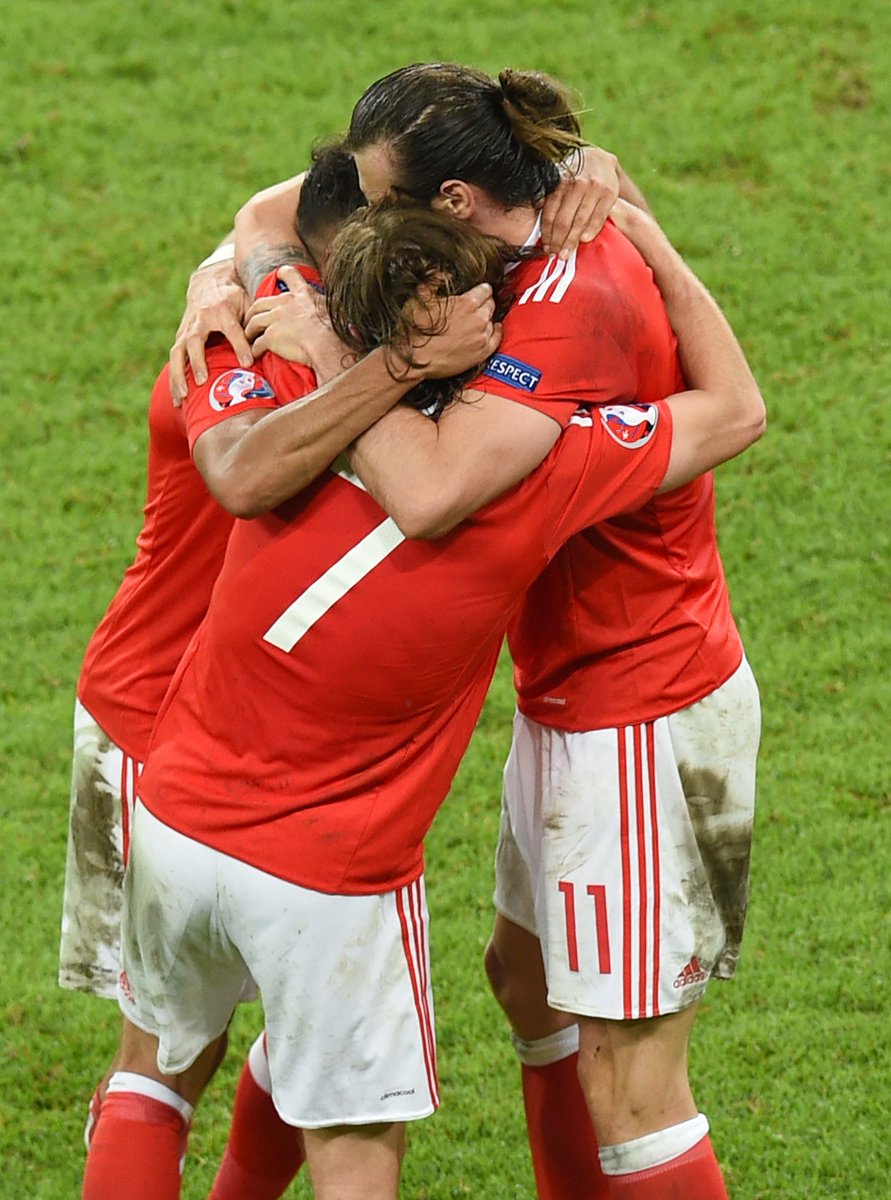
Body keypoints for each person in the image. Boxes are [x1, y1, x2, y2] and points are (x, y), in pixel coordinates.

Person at [80, 191, 763, 1200]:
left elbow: (281, 238)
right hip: (330, 871)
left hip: (171, 808)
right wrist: (640, 230)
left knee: (153, 1076)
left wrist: (243, 287)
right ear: (439, 308)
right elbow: (735, 410)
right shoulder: (530, 474)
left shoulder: (275, 386)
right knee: (354, 1145)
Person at [61, 145, 496, 1172]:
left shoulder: (268, 278)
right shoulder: (268, 345)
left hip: (206, 720)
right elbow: (249, 472)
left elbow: (267, 210)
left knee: (215, 1046)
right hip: (170, 728)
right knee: (172, 1058)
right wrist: (395, 363)